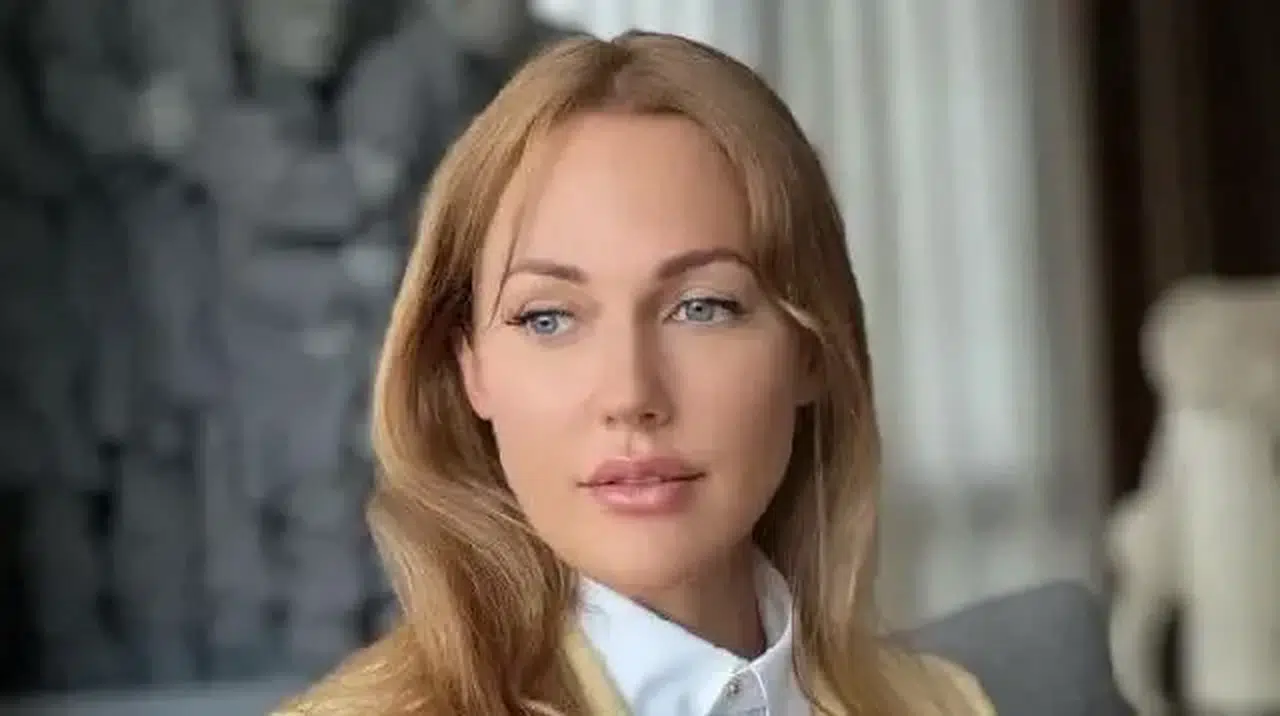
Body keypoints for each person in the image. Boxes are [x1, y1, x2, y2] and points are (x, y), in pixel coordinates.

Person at [276, 31, 994, 715]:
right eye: (548, 318)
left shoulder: (943, 705)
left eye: (702, 308)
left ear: (812, 348)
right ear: (469, 367)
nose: (630, 395)